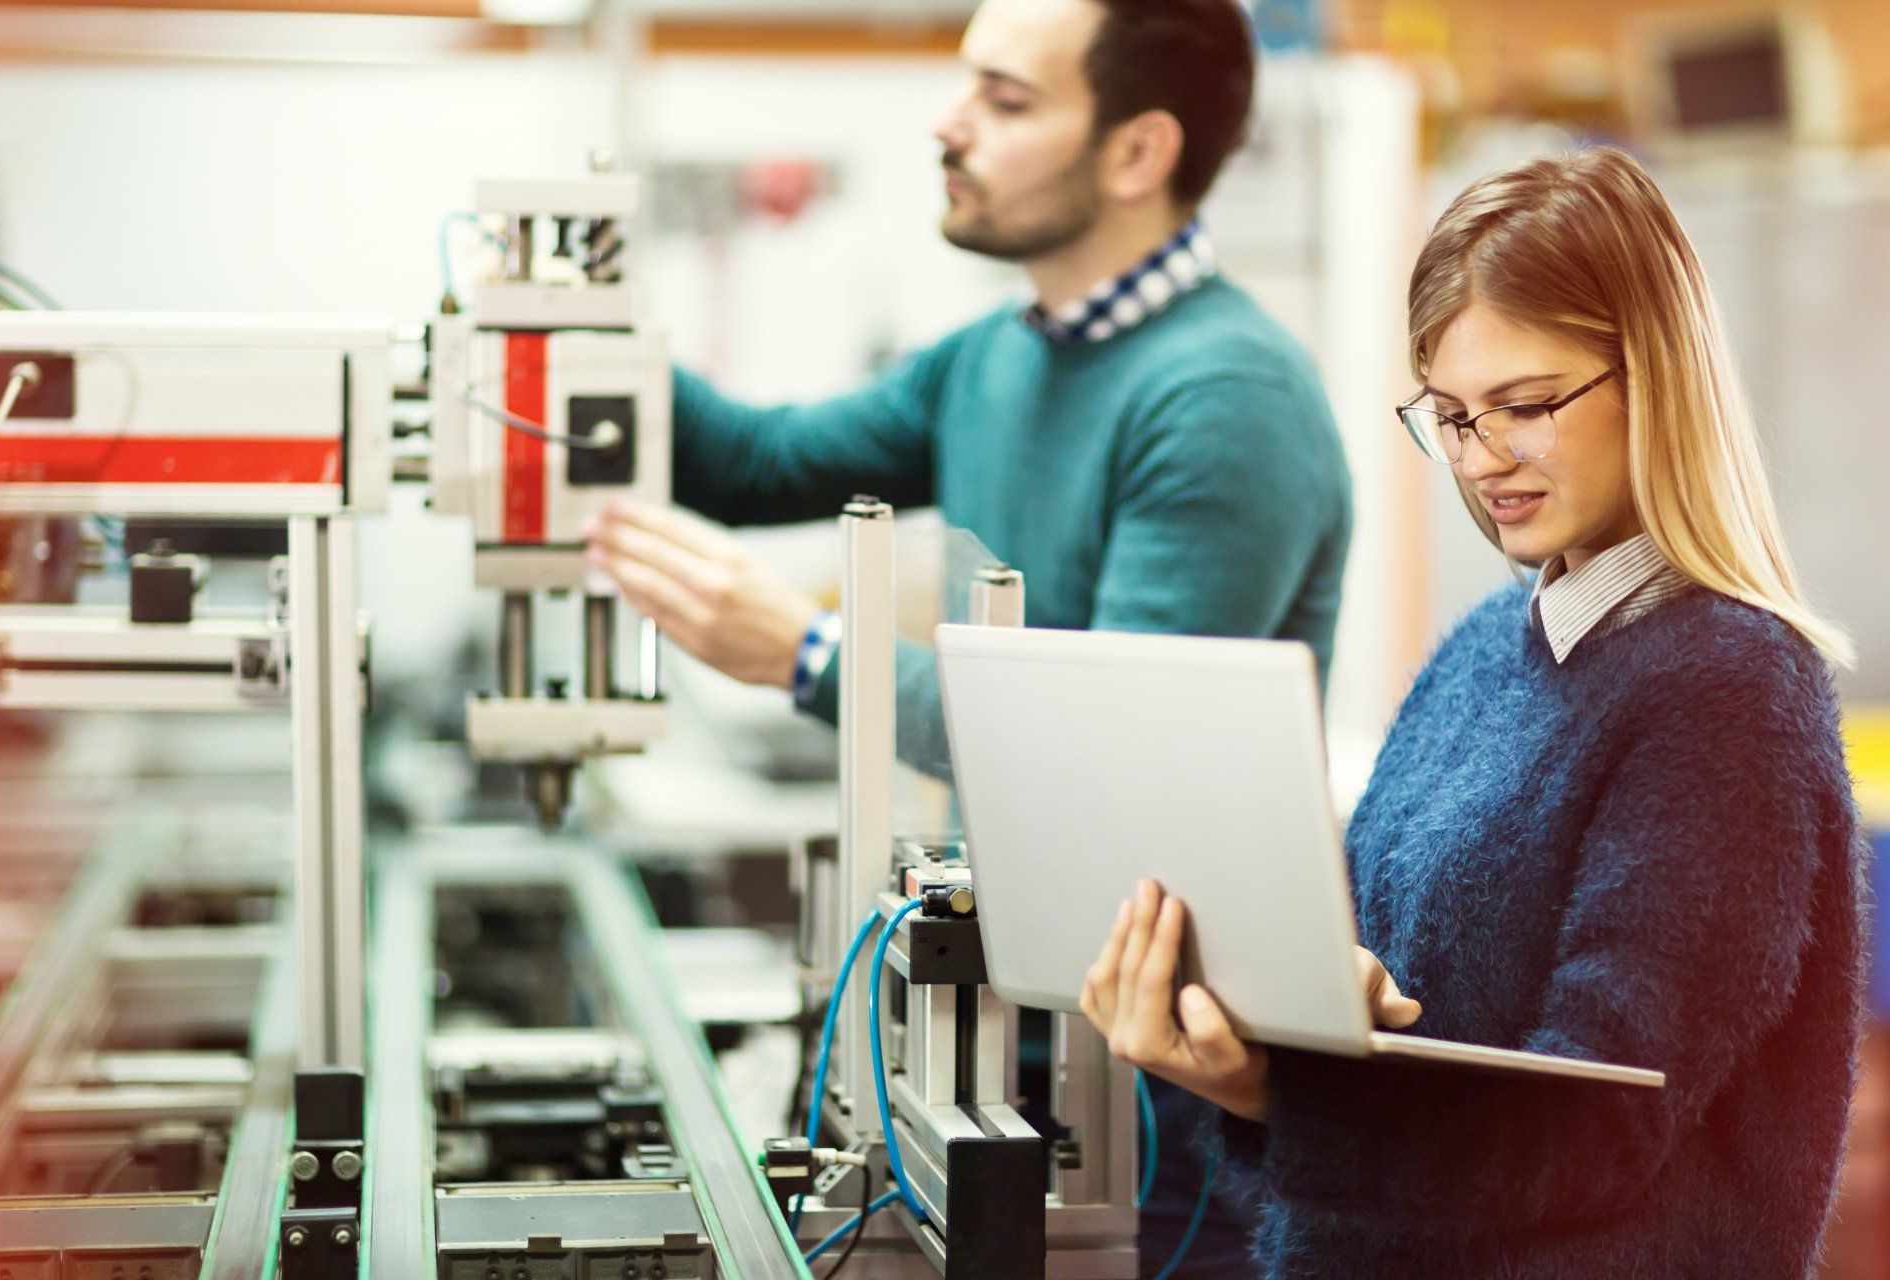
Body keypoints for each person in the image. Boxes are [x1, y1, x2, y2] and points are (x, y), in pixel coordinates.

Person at [585, 0, 1351, 1268]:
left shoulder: (1226, 398)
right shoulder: (992, 357)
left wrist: (809, 653)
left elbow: (1107, 745)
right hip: (1000, 1041)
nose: (947, 124)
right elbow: (753, 460)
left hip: (1163, 1106)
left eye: (1005, 100)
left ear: (1135, 153)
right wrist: (569, 318)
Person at [1080, 145, 1865, 1277]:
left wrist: (1282, 1089)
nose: (1482, 459)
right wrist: (1271, 1019)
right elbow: (1385, 1022)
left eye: (1527, 406)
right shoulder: (1483, 649)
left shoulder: (1727, 690)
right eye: (1450, 416)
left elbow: (1594, 1126)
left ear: (1656, 375)